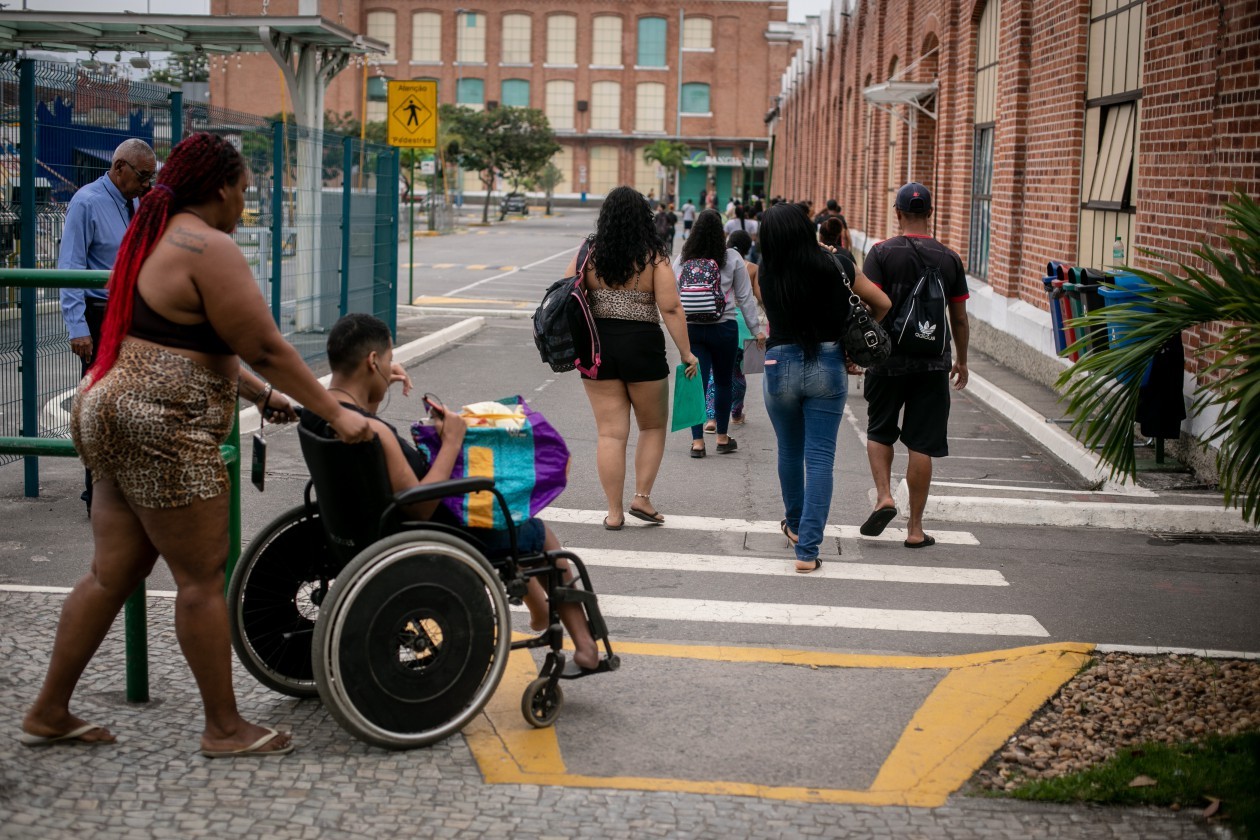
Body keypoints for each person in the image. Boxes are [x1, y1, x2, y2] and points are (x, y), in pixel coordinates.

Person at [21, 133, 373, 756]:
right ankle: (224, 728)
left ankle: (49, 709)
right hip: (163, 426)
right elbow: (263, 344)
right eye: (243, 190)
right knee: (202, 580)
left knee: (111, 575)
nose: (245, 203)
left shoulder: (150, 236)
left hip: (108, 407)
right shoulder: (209, 247)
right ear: (220, 187)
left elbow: (186, 344)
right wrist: (337, 415)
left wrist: (263, 398)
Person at [307, 314, 600, 670]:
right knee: (539, 534)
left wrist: (376, 384)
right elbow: (420, 506)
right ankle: (585, 647)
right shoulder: (376, 433)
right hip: (425, 529)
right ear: (372, 362)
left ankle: (538, 607)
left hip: (359, 527)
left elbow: (362, 427)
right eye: (386, 361)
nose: (389, 367)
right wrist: (452, 440)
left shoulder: (322, 414)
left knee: (515, 523)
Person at [758, 203, 890, 572]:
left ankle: (795, 527)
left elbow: (770, 306)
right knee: (819, 459)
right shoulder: (840, 265)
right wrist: (854, 341)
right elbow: (882, 302)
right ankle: (807, 552)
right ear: (805, 228)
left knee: (788, 451)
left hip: (779, 363)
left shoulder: (767, 271)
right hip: (829, 363)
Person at [571, 185, 698, 530]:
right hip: (643, 345)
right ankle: (641, 497)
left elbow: (570, 291)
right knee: (652, 425)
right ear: (645, 218)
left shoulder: (589, 252)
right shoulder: (653, 256)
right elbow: (670, 307)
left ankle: (613, 513)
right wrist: (687, 352)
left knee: (611, 434)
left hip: (597, 347)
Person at [860, 182, 970, 549]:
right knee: (921, 443)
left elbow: (867, 306)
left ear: (898, 213)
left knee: (880, 429)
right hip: (932, 364)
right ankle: (916, 529)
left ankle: (884, 497)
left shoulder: (880, 253)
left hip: (887, 359)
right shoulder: (949, 258)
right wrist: (962, 360)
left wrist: (861, 351)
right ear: (930, 214)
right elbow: (959, 317)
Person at [58, 138, 158, 514]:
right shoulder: (87, 202)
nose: (147, 183)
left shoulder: (134, 201)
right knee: (100, 407)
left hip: (130, 313)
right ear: (119, 168)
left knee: (132, 401)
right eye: (143, 175)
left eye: (151, 176)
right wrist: (77, 325)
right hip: (100, 316)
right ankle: (97, 496)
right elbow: (69, 267)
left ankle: (125, 487)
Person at [673, 209, 764, 458]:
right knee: (723, 382)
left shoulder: (682, 258)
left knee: (696, 385)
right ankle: (723, 438)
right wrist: (756, 330)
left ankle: (697, 443)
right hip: (724, 328)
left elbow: (673, 297)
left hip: (692, 329)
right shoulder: (732, 257)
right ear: (721, 232)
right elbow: (745, 298)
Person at [702, 229, 762, 432]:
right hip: (743, 326)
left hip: (717, 321)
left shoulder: (715, 262)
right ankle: (736, 412)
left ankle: (711, 418)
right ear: (747, 248)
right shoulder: (752, 268)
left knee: (713, 373)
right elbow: (757, 298)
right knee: (737, 372)